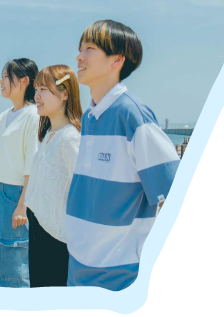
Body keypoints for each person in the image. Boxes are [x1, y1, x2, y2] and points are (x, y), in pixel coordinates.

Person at [66, 20, 181, 291]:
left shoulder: (132, 115)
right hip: (78, 269)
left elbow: (174, 192)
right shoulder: (89, 116)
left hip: (120, 278)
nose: (79, 56)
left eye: (90, 48)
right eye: (80, 48)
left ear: (117, 60)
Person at [0, 59, 39, 288]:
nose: (0, 81)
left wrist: (22, 205)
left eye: (5, 76)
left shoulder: (33, 115)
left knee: (12, 265)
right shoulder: (4, 115)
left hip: (15, 194)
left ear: (24, 81)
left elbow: (32, 164)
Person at [24, 65, 82, 287]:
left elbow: (83, 192)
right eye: (36, 89)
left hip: (58, 239)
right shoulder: (48, 133)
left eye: (43, 89)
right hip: (39, 230)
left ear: (65, 93)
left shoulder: (70, 139)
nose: (36, 96)